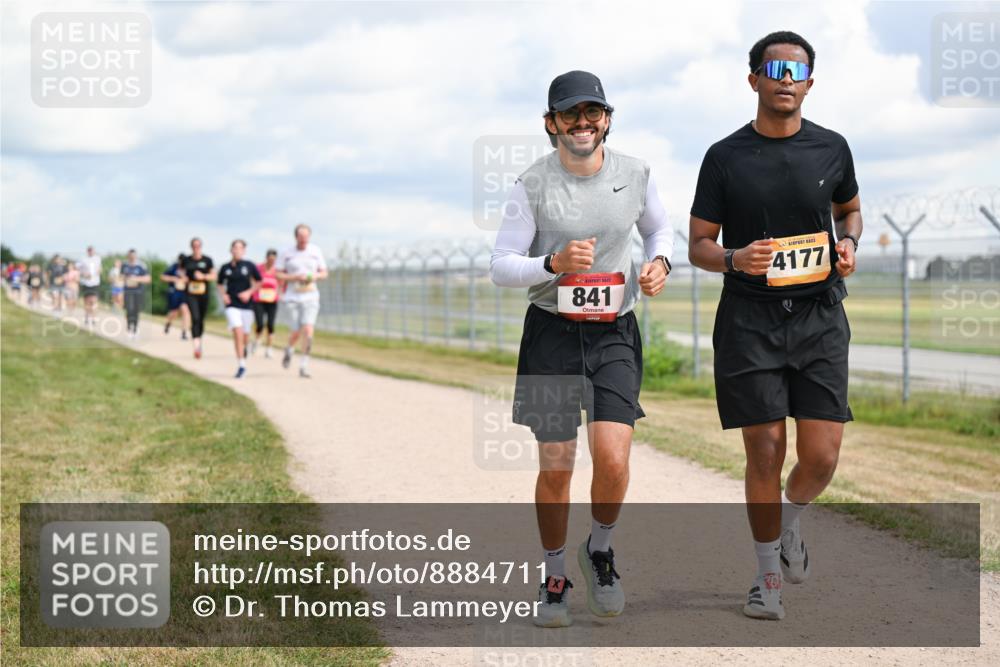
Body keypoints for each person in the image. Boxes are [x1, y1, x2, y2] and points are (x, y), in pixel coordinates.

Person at [688, 31, 861, 621]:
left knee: (821, 457)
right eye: (774, 67)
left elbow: (849, 210)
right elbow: (698, 245)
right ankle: (767, 579)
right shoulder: (724, 156)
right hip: (748, 322)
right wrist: (734, 257)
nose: (786, 77)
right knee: (764, 449)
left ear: (810, 83)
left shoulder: (833, 148)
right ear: (754, 79)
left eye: (797, 69)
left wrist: (850, 244)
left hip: (819, 317)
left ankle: (788, 527)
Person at [490, 70, 672, 628]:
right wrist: (551, 263)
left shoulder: (636, 174)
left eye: (593, 112)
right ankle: (553, 575)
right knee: (556, 465)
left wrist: (661, 262)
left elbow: (660, 231)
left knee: (614, 459)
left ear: (607, 120)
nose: (583, 122)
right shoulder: (531, 184)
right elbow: (500, 266)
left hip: (614, 330)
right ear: (551, 124)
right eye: (571, 114)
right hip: (551, 332)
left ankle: (599, 550)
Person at [276, 224, 327, 378]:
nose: (304, 239)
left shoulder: (315, 251)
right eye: (301, 236)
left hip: (310, 296)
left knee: (308, 330)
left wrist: (313, 277)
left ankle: (304, 365)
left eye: (306, 236)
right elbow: (278, 274)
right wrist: (294, 277)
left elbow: (324, 272)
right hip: (292, 297)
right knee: (296, 331)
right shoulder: (286, 253)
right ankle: (289, 349)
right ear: (296, 237)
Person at [217, 240, 261, 378]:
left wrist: (249, 292)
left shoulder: (249, 266)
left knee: (245, 335)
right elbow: (219, 283)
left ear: (244, 251)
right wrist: (224, 295)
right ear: (231, 250)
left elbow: (259, 282)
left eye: (240, 248)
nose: (237, 250)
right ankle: (241, 365)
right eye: (235, 248)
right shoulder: (225, 267)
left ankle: (244, 349)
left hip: (247, 306)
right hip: (232, 305)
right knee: (237, 331)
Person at [182, 238, 216, 359]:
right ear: (191, 247)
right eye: (194, 246)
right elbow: (181, 273)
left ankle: (199, 340)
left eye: (198, 246)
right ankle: (196, 346)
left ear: (201, 246)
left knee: (201, 319)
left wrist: (204, 276)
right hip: (191, 294)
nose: (196, 248)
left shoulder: (208, 260)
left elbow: (214, 276)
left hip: (203, 294)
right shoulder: (186, 260)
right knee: (195, 317)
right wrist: (184, 278)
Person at [251, 248, 280, 358]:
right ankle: (256, 341)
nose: (272, 261)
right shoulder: (258, 268)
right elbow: (253, 281)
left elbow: (282, 283)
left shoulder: (277, 271)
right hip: (259, 300)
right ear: (266, 258)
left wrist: (280, 293)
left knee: (271, 325)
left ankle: (269, 348)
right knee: (260, 324)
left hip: (272, 300)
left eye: (274, 259)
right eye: (270, 259)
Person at [120, 249, 151, 338]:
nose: (132, 257)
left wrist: (136, 279)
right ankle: (129, 327)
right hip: (127, 291)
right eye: (130, 256)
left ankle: (135, 328)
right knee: (129, 309)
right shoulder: (124, 265)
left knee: (136, 310)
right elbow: (121, 276)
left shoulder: (141, 265)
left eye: (133, 256)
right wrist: (126, 278)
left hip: (138, 291)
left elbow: (148, 279)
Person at [161, 253, 191, 339]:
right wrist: (173, 279)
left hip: (184, 293)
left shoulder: (188, 268)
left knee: (185, 311)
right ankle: (168, 323)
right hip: (174, 292)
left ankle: (184, 333)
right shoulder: (174, 267)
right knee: (174, 313)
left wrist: (186, 280)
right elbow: (163, 276)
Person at [78, 246, 102, 327]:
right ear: (87, 251)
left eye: (92, 250)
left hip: (95, 283)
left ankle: (94, 317)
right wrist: (83, 274)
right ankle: (87, 316)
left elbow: (100, 268)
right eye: (89, 251)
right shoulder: (83, 259)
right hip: (86, 283)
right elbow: (77, 268)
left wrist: (99, 271)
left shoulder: (98, 258)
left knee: (94, 300)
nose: (91, 252)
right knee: (87, 301)